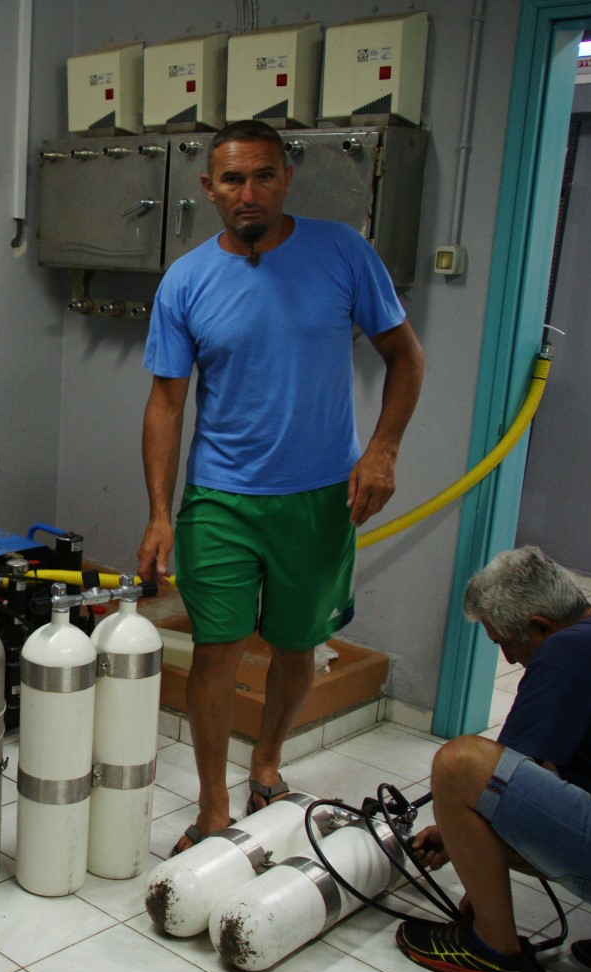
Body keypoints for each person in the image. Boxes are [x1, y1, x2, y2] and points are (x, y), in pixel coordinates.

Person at [135, 119, 425, 853]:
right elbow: (166, 403)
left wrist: (383, 450)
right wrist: (160, 514)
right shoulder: (187, 280)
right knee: (217, 649)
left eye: (264, 175)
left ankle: (266, 764)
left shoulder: (342, 252)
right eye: (233, 179)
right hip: (220, 498)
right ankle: (212, 806)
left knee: (298, 646)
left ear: (287, 178)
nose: (250, 193)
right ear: (209, 188)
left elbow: (405, 356)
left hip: (320, 497)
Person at [396, 546, 591, 972]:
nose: (510, 660)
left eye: (505, 643)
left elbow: (497, 789)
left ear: (540, 626)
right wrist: (456, 837)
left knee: (461, 765)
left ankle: (493, 952)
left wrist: (465, 852)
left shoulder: (568, 649)